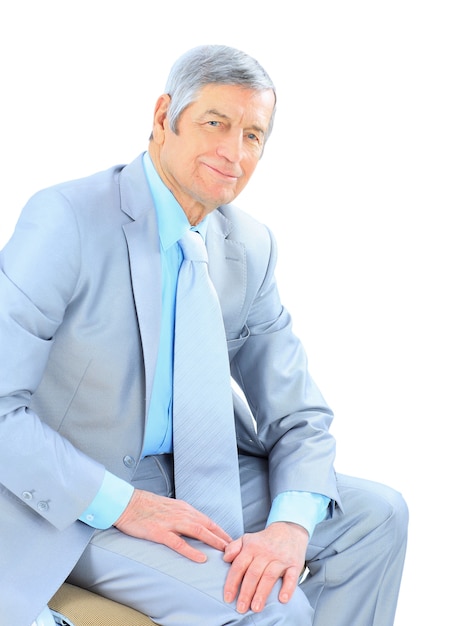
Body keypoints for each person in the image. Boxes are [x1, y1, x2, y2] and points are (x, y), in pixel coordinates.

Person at [0, 44, 408, 626]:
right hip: (81, 494)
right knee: (273, 609)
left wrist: (290, 528)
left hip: (202, 472)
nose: (233, 152)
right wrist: (128, 505)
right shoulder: (67, 220)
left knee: (380, 516)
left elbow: (299, 415)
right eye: (215, 123)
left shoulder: (249, 247)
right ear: (164, 116)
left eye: (253, 136)